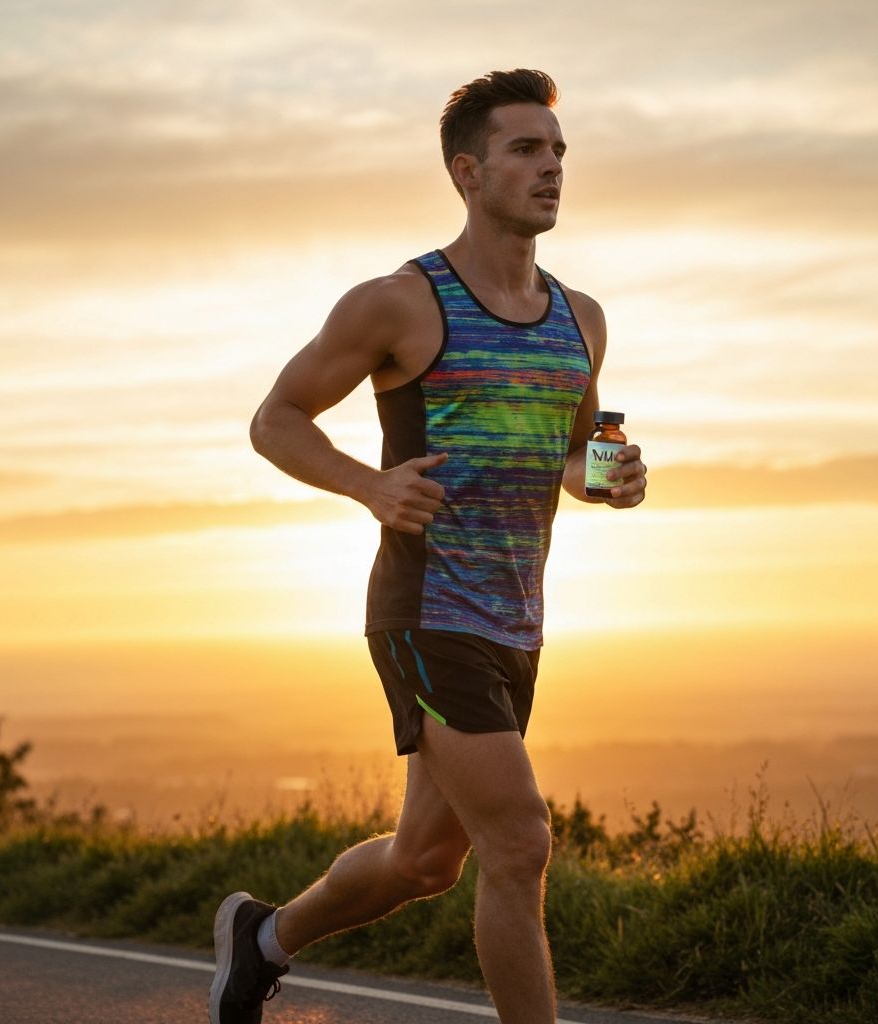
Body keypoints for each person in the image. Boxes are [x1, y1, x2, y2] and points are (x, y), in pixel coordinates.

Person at [209, 68, 647, 1024]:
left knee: (424, 861)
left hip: (517, 620)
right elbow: (275, 420)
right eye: (526, 149)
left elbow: (573, 452)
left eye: (559, 151)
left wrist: (608, 479)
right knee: (521, 842)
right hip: (425, 611)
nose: (552, 169)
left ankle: (263, 939)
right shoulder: (401, 302)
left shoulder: (582, 319)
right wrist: (370, 486)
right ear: (466, 170)